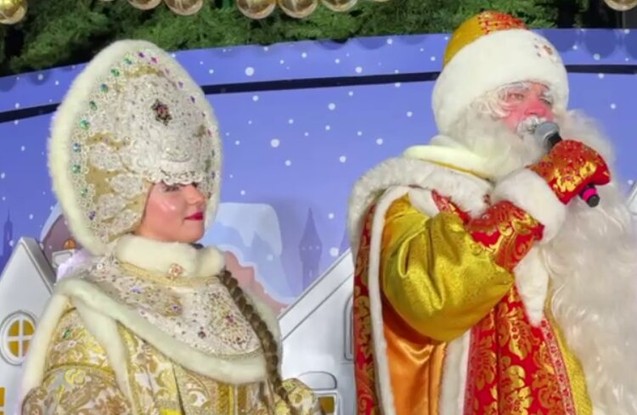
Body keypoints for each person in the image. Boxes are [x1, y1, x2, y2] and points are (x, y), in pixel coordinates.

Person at [347, 10, 637, 415]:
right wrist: (538, 192)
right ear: (470, 110)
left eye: (546, 98)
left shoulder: (565, 197)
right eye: (514, 95)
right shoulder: (413, 199)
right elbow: (430, 298)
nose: (538, 112)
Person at [19, 39, 322, 415]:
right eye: (173, 186)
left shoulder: (228, 296)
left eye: (196, 182)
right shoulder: (96, 311)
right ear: (127, 199)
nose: (197, 197)